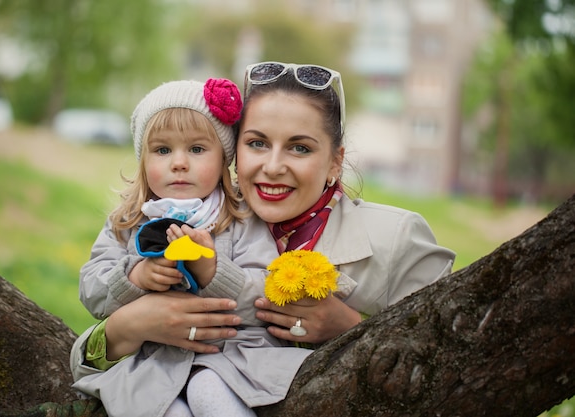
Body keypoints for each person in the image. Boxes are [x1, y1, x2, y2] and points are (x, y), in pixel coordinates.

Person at [70, 62, 456, 416]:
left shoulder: (396, 237)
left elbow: (452, 360)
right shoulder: (214, 214)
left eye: (300, 147)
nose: (272, 167)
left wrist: (352, 328)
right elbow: (88, 342)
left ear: (335, 161)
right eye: (257, 143)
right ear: (235, 152)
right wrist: (129, 325)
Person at [72, 77, 315, 417]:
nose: (179, 162)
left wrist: (214, 272)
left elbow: (270, 290)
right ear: (143, 159)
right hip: (155, 360)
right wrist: (136, 277)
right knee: (160, 408)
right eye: (162, 150)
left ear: (223, 160)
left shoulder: (242, 219)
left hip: (234, 358)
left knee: (208, 392)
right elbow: (92, 290)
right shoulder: (127, 223)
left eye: (197, 150)